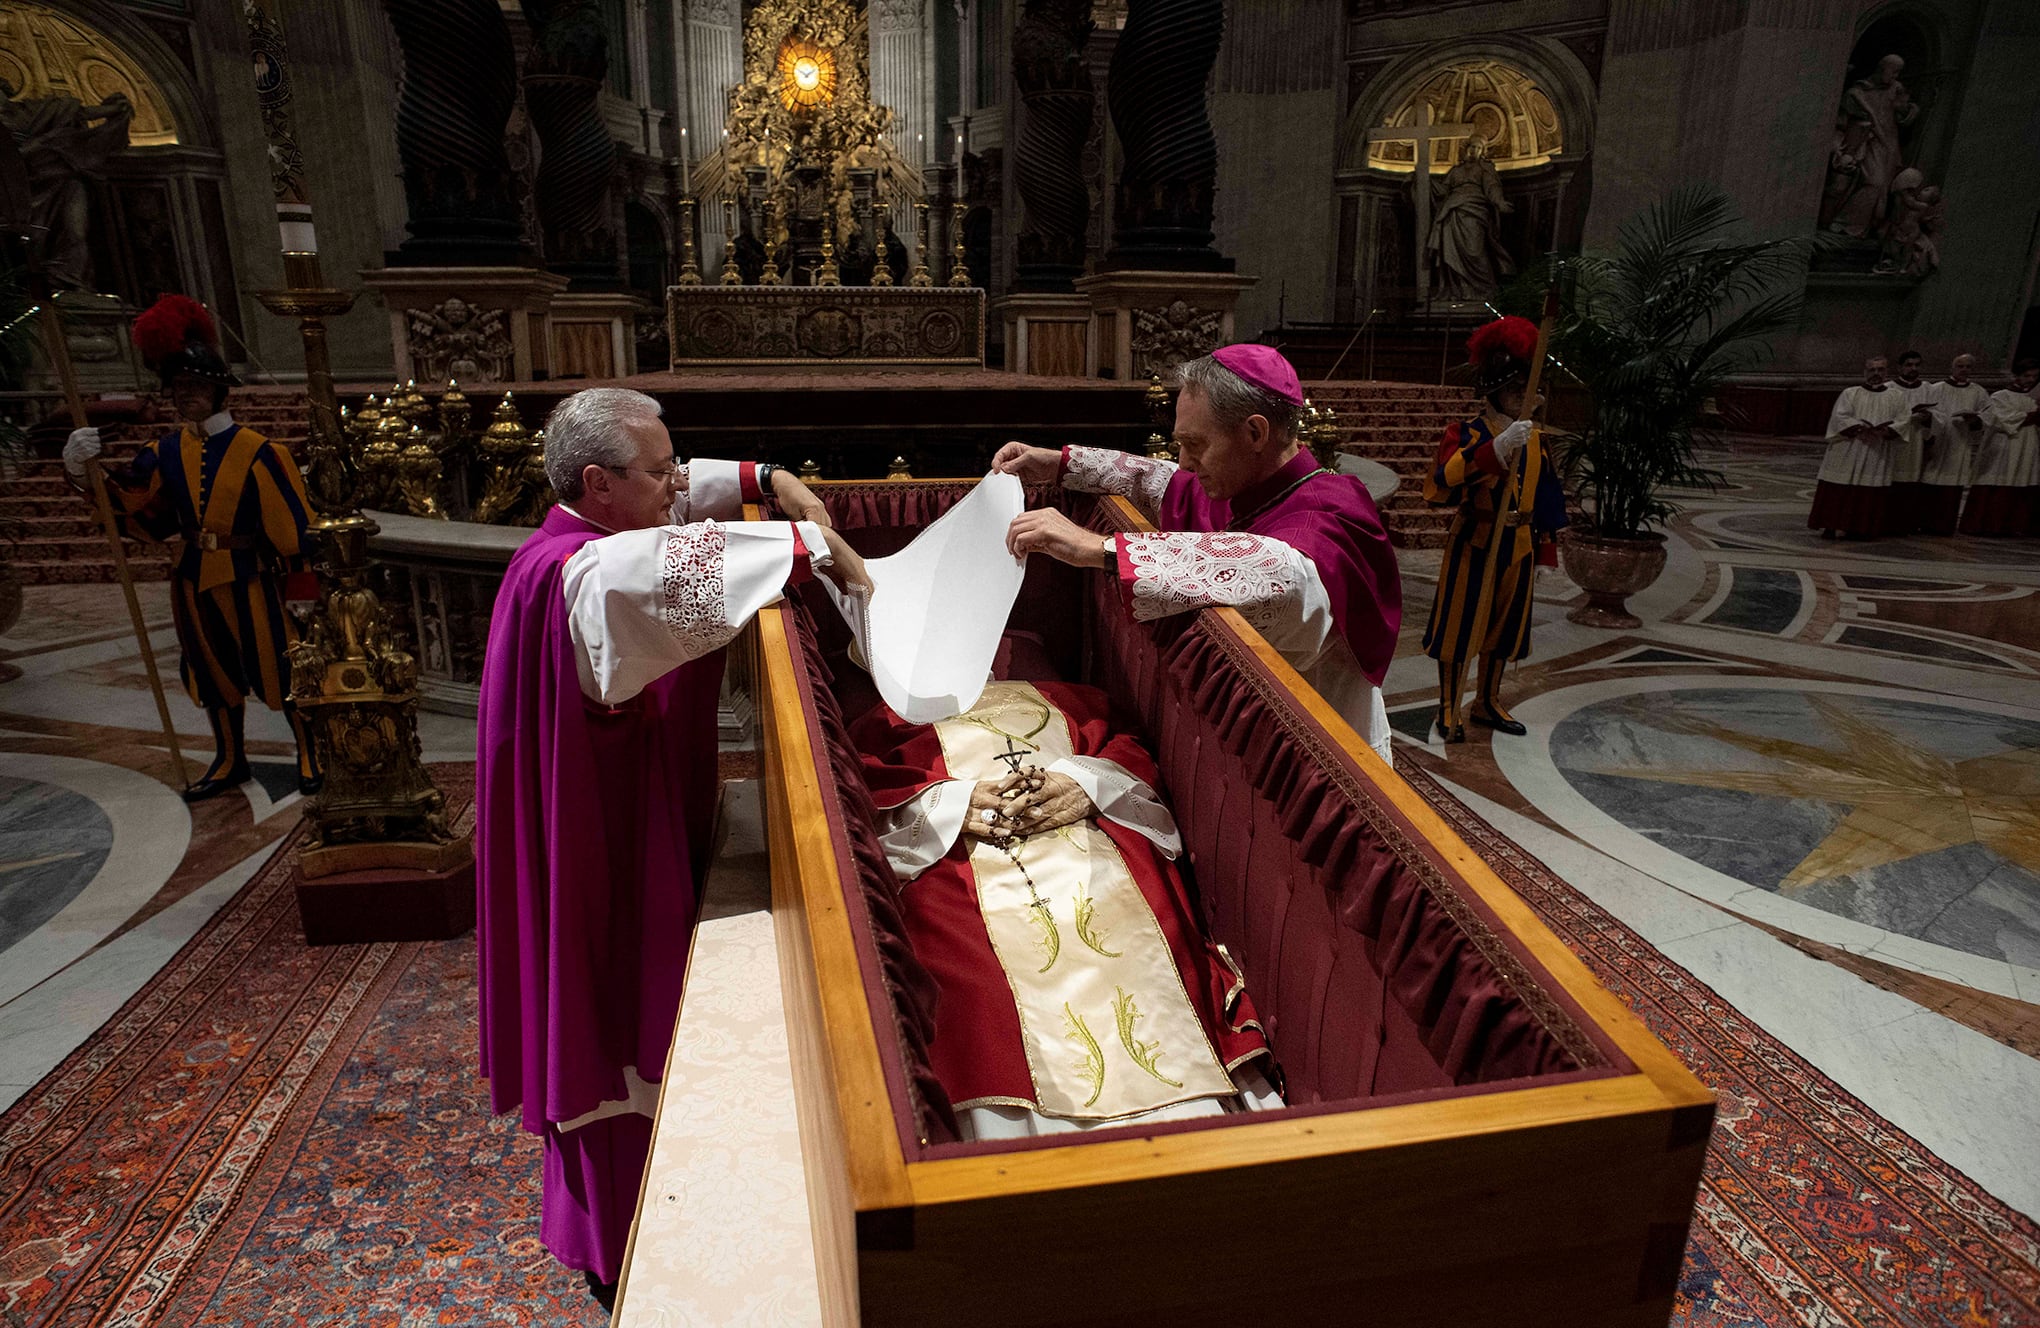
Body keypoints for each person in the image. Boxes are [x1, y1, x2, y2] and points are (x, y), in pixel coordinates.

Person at [473, 387, 866, 1313]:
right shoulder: (584, 575)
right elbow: (687, 571)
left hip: (608, 815)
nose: (678, 486)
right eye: (659, 474)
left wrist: (772, 479)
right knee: (610, 1017)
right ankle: (624, 1245)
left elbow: (688, 509)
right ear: (599, 483)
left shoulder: (593, 531)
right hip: (598, 849)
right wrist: (815, 548)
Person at [855, 678, 1275, 1141]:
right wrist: (953, 804)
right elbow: (864, 797)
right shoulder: (884, 722)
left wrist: (1082, 783)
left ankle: (1192, 1125)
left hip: (1093, 851)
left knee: (1132, 955)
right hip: (961, 867)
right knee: (976, 983)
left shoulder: (1065, 696)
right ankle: (1018, 1144)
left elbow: (1127, 752)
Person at [991, 345, 1401, 765]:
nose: (1185, 462)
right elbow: (1164, 482)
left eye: (1195, 444)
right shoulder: (1252, 484)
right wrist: (1061, 464)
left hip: (1325, 759)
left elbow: (1284, 575)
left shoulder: (1330, 513)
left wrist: (1099, 548)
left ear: (1255, 433)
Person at [62, 294, 320, 801]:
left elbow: (293, 528)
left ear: (219, 391)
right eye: (180, 387)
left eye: (197, 386)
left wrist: (303, 590)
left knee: (283, 665)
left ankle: (310, 750)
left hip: (253, 579)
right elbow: (135, 507)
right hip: (193, 579)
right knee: (209, 670)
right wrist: (80, 470)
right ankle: (229, 757)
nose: (187, 396)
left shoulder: (262, 453)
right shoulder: (162, 453)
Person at [1418, 315, 1567, 743]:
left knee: (1505, 631)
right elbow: (1439, 485)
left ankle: (1487, 700)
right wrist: (1494, 450)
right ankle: (1449, 706)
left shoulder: (1537, 440)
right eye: (1515, 388)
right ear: (1495, 391)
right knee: (1460, 627)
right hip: (1476, 542)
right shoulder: (1466, 434)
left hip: (1519, 545)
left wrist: (1546, 552)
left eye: (1527, 388)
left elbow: (1547, 499)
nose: (1524, 396)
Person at [1810, 355, 1917, 539]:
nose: (1876, 373)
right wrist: (1859, 426)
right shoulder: (1851, 393)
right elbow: (1840, 417)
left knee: (1869, 488)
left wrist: (1887, 430)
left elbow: (1904, 419)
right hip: (1849, 447)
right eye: (1872, 370)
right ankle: (1831, 525)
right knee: (1839, 485)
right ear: (1865, 372)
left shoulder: (1896, 396)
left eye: (1880, 369)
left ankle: (1861, 529)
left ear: (1887, 372)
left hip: (1877, 449)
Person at [1426, 135, 1515, 304]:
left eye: (1478, 148)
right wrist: (1424, 181)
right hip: (1451, 212)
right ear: (1466, 149)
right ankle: (1458, 290)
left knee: (1474, 251)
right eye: (1472, 147)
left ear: (1482, 151)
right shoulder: (1456, 171)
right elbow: (1443, 190)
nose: (1474, 150)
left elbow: (1492, 188)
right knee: (1451, 252)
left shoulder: (1485, 168)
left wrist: (1500, 203)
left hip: (1474, 210)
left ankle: (1484, 289)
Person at [1960, 361, 2040, 537]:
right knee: (1998, 481)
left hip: (2028, 445)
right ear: (2016, 376)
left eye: (2034, 376)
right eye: (2027, 376)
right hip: (2005, 445)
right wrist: (2033, 416)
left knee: (2023, 482)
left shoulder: (2034, 398)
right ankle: (1988, 526)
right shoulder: (2001, 396)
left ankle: (2014, 527)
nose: (2031, 380)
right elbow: (2001, 419)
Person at [1919, 353, 1990, 535]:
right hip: (1940, 440)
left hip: (1961, 441)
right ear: (1952, 368)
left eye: (1968, 367)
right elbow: (1928, 412)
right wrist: (1930, 423)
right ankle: (1924, 522)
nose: (1964, 370)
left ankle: (1944, 526)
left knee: (1953, 483)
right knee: (1930, 480)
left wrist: (1974, 420)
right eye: (1960, 366)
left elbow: (1988, 417)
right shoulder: (1936, 389)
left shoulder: (1978, 392)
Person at [1888, 349, 1937, 532]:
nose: (1913, 368)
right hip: (1894, 441)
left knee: (1911, 482)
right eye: (1909, 365)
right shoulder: (1889, 388)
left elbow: (1939, 415)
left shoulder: (1927, 389)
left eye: (1917, 365)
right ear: (1899, 367)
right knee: (1890, 480)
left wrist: (1929, 418)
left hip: (1916, 440)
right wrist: (1908, 416)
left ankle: (1904, 523)